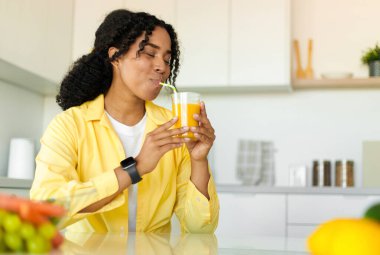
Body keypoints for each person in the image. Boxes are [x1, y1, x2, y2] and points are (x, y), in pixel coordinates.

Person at [30, 9, 219, 233]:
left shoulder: (174, 128)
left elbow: (200, 230)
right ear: (115, 57)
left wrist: (199, 160)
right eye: (150, 53)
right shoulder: (69, 125)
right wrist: (135, 168)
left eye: (167, 59)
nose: (162, 67)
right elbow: (44, 211)